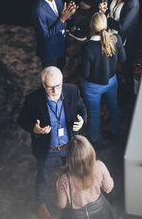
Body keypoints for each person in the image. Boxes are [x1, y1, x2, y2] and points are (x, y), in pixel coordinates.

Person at [18, 66, 87, 219]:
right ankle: (40, 203)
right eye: (50, 87)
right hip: (47, 148)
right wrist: (34, 129)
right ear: (43, 85)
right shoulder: (33, 100)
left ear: (62, 82)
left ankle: (74, 198)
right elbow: (21, 120)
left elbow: (81, 108)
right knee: (43, 176)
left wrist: (82, 121)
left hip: (69, 145)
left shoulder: (72, 91)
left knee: (73, 173)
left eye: (58, 86)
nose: (55, 91)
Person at [81, 12, 126, 144]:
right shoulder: (116, 39)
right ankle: (115, 132)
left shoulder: (87, 48)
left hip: (93, 86)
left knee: (94, 114)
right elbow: (123, 59)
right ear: (105, 25)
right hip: (112, 81)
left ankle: (94, 140)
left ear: (91, 26)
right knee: (113, 106)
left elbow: (85, 73)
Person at [99, 0, 139, 101]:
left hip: (125, 40)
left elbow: (122, 27)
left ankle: (129, 94)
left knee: (126, 67)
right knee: (109, 62)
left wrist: (107, 18)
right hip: (110, 35)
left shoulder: (133, 2)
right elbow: (109, 11)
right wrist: (104, 11)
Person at [56, 135, 114, 218]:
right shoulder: (99, 166)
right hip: (100, 211)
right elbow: (109, 188)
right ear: (90, 151)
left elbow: (61, 204)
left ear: (69, 157)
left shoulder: (63, 179)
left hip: (76, 215)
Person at [31, 0, 79, 70]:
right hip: (50, 52)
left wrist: (69, 12)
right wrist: (62, 19)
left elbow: (62, 15)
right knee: (51, 76)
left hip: (62, 42)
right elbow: (45, 36)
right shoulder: (38, 10)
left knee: (61, 67)